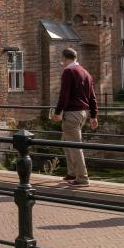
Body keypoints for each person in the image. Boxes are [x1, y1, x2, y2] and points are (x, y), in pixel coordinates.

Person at [53, 48, 98, 187]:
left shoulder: (68, 71)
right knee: (66, 141)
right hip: (82, 113)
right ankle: (72, 172)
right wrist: (94, 115)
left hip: (72, 113)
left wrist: (57, 112)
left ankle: (82, 178)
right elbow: (92, 97)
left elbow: (64, 94)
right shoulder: (86, 73)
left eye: (62, 59)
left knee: (75, 145)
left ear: (64, 58)